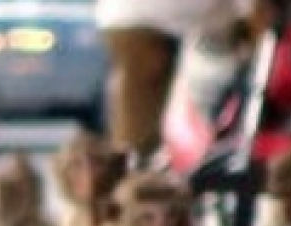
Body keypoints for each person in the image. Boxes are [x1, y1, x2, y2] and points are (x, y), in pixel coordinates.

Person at [97, 0, 241, 159]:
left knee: (142, 116)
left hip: (139, 20)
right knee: (139, 123)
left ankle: (135, 167)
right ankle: (132, 171)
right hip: (143, 22)